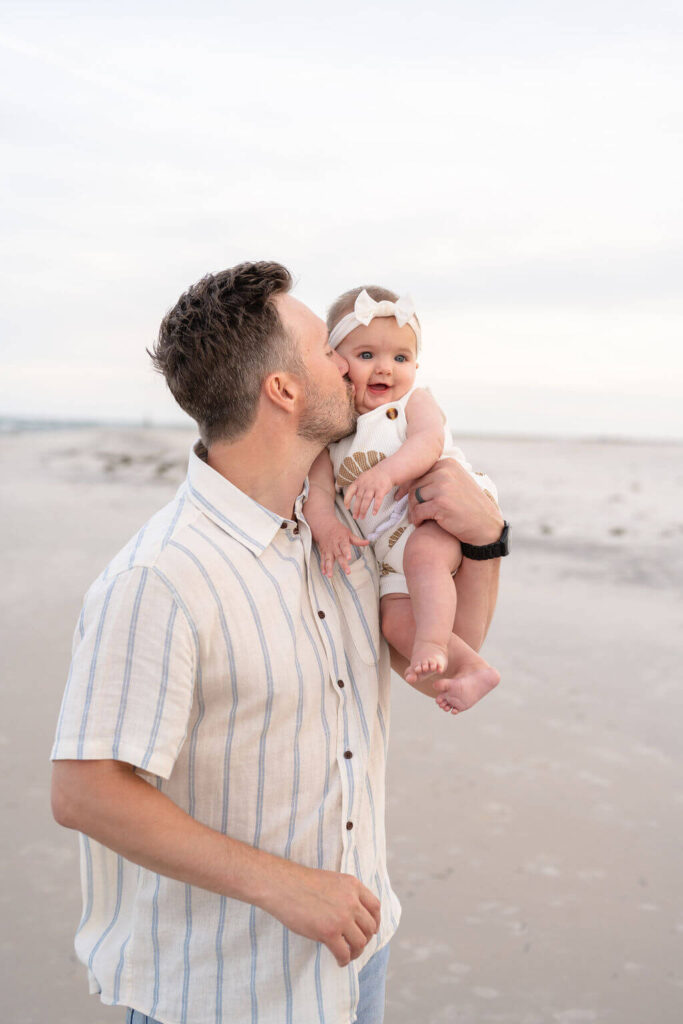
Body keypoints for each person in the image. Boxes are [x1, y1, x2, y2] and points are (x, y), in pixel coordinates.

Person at [50, 262, 506, 1024]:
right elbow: (84, 792)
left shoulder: (344, 539)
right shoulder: (160, 577)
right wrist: (284, 884)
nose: (348, 361)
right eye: (329, 349)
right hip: (222, 992)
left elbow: (442, 660)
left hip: (356, 963)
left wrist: (485, 541)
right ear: (284, 391)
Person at [304, 286, 506, 714]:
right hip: (387, 544)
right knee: (395, 621)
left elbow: (428, 441)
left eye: (400, 358)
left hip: (435, 513)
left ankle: (434, 644)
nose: (386, 369)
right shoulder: (332, 435)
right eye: (366, 356)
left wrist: (387, 472)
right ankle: (468, 668)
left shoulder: (415, 401)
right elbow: (318, 493)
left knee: (424, 559)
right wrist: (328, 528)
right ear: (335, 362)